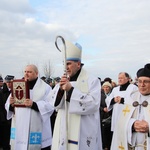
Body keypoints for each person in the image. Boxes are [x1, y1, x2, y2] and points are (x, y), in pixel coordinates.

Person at [50, 39, 102, 150]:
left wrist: (71, 90)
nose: (66, 67)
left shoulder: (92, 80)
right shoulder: (62, 80)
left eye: (68, 64)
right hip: (63, 128)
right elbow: (53, 104)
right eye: (64, 64)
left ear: (78, 64)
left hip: (83, 130)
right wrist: (60, 90)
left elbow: (93, 104)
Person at [5, 64, 54, 150]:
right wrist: (11, 105)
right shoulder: (17, 85)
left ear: (36, 73)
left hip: (37, 129)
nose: (26, 74)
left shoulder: (45, 88)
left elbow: (51, 106)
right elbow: (7, 104)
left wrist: (34, 104)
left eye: (29, 72)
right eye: (25, 71)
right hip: (20, 127)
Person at [111, 63, 150, 150]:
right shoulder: (132, 98)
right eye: (139, 81)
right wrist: (132, 125)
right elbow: (121, 123)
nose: (142, 85)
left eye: (146, 81)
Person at [0, 75, 14, 150]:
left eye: (10, 82)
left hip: (13, 118)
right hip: (4, 120)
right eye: (8, 82)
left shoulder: (15, 91)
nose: (9, 84)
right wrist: (4, 118)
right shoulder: (2, 92)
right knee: (6, 138)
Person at [100, 82, 113, 150]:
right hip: (103, 116)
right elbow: (97, 105)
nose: (106, 88)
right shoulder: (100, 95)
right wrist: (103, 109)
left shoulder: (112, 95)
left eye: (107, 87)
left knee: (110, 131)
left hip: (111, 116)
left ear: (110, 88)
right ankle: (105, 146)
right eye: (104, 87)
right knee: (104, 132)